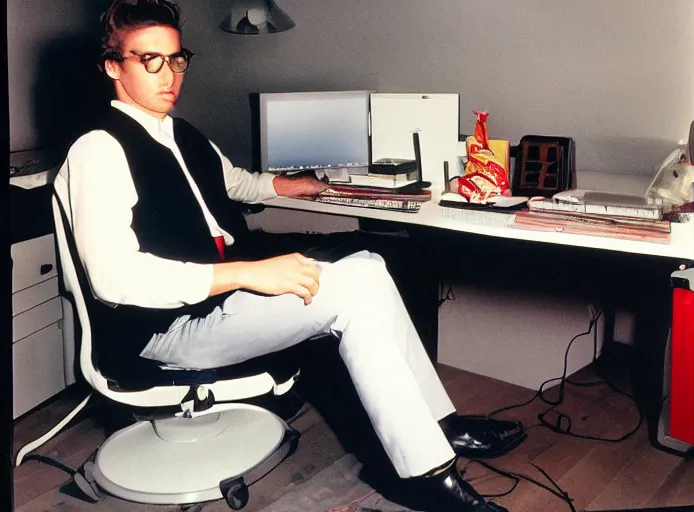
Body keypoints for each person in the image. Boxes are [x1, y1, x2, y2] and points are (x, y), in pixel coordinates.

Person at [57, 1, 526, 510]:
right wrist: (252, 273)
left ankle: (439, 426)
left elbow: (233, 182)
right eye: (150, 60)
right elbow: (115, 279)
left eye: (176, 59)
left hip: (219, 303)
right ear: (113, 66)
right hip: (164, 333)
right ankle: (424, 477)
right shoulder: (98, 150)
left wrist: (291, 185)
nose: (169, 75)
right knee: (351, 290)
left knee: (368, 265)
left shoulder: (181, 132)